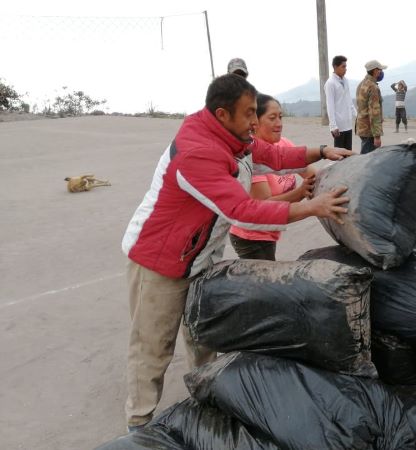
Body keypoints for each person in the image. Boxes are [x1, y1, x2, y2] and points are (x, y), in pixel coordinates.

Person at [120, 74, 352, 432]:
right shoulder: (197, 152)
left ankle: (203, 400)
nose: (255, 122)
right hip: (160, 261)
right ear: (222, 114)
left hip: (199, 257)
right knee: (153, 347)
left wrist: (322, 151)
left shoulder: (234, 138)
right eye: (248, 114)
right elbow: (241, 211)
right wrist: (311, 207)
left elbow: (275, 154)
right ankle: (139, 424)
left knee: (203, 334)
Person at [229, 94, 315, 260]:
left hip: (270, 230)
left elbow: (310, 171)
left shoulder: (284, 144)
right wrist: (301, 193)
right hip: (251, 236)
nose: (279, 123)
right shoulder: (250, 157)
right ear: (255, 122)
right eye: (272, 118)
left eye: (281, 117)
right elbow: (263, 206)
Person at [324, 55, 358, 150]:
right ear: (335, 67)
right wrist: (333, 126)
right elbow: (330, 105)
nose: (345, 69)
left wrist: (357, 115)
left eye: (346, 66)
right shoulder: (330, 83)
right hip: (338, 125)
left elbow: (349, 100)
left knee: (348, 152)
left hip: (348, 123)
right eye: (343, 66)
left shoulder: (345, 80)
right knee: (339, 153)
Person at [356, 59, 386, 154]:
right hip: (369, 130)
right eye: (380, 70)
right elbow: (374, 112)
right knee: (368, 159)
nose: (381, 72)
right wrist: (377, 136)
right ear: (375, 71)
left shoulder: (362, 83)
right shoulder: (372, 87)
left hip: (362, 127)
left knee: (365, 156)